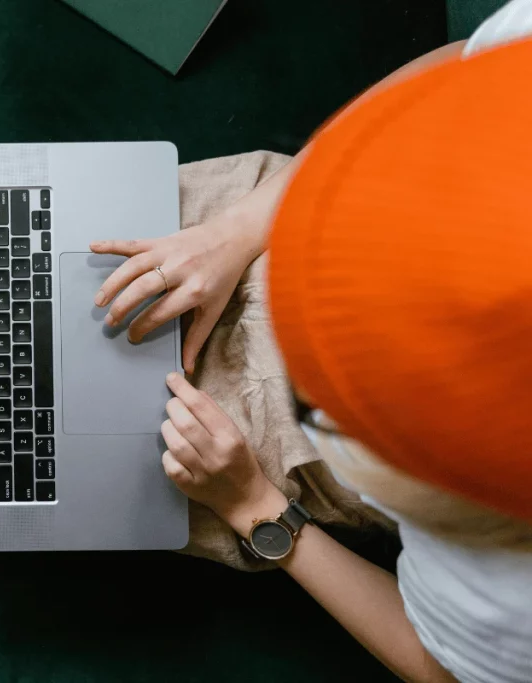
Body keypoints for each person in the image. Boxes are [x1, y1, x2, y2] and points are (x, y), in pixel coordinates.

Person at [90, 5, 532, 683]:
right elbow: (464, 60)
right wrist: (237, 232)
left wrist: (257, 508)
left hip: (260, 463)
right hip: (279, 222)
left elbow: (435, 664)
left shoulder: (512, 599)